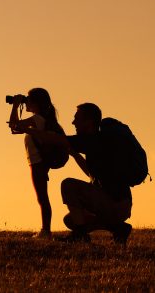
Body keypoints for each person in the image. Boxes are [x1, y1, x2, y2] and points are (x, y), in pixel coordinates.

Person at [21, 103, 133, 244]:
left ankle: (81, 236)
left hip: (116, 204)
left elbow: (56, 139)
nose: (73, 122)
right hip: (120, 205)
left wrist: (27, 130)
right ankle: (119, 228)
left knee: (68, 185)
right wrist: (74, 154)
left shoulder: (93, 140)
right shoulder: (97, 142)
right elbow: (91, 173)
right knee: (70, 220)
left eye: (77, 118)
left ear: (89, 122)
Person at [9, 88, 65, 238]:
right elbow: (16, 129)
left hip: (37, 163)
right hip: (38, 162)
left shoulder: (38, 119)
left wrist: (15, 106)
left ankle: (45, 231)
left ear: (36, 103)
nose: (26, 102)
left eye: (28, 100)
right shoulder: (40, 120)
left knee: (42, 197)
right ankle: (45, 229)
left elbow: (14, 125)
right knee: (42, 197)